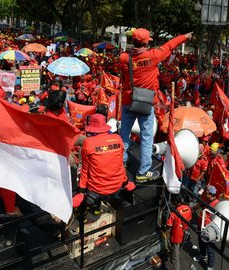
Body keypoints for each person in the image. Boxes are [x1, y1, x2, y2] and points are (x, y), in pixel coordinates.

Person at [119, 28, 192, 183]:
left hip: (128, 100)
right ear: (145, 42)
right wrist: (183, 36)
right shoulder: (152, 56)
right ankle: (143, 171)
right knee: (146, 137)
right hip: (145, 102)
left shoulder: (124, 58)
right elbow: (170, 45)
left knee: (124, 134)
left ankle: (121, 162)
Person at [72, 114, 135, 220]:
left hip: (96, 191)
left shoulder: (88, 142)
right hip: (117, 188)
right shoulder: (117, 138)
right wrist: (126, 183)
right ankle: (95, 208)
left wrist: (81, 193)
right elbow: (120, 166)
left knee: (82, 187)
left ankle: (91, 209)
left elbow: (85, 171)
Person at [193, 185, 219, 270]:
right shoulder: (207, 199)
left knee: (210, 248)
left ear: (211, 195)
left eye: (206, 192)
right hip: (201, 226)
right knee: (201, 242)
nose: (204, 193)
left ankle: (210, 266)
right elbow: (199, 204)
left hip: (209, 230)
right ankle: (203, 255)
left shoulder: (217, 204)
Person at [166, 194, 192, 270]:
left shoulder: (174, 212)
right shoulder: (188, 208)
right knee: (179, 247)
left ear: (175, 201)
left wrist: (166, 233)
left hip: (176, 237)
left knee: (175, 257)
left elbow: (169, 225)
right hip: (185, 234)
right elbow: (189, 218)